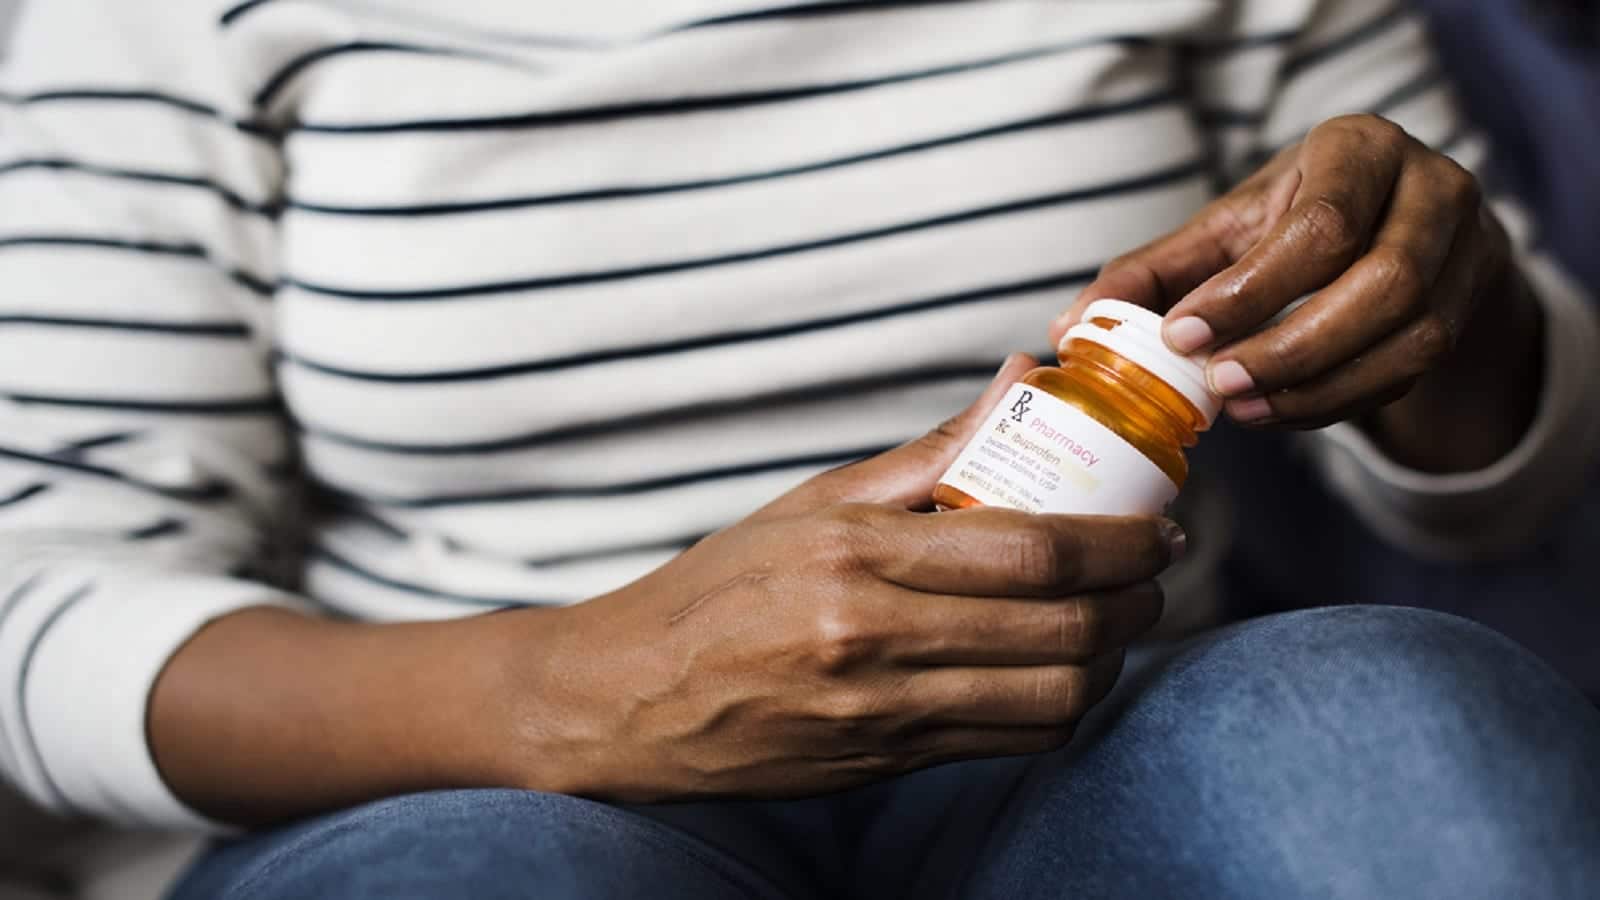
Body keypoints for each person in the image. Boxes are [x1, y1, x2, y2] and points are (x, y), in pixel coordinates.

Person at [1, 1, 1597, 898]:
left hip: (1108, 738)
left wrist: (1455, 322)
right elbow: (34, 605)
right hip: (462, 778)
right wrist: (554, 692)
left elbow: (1503, 488)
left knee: (1373, 722)